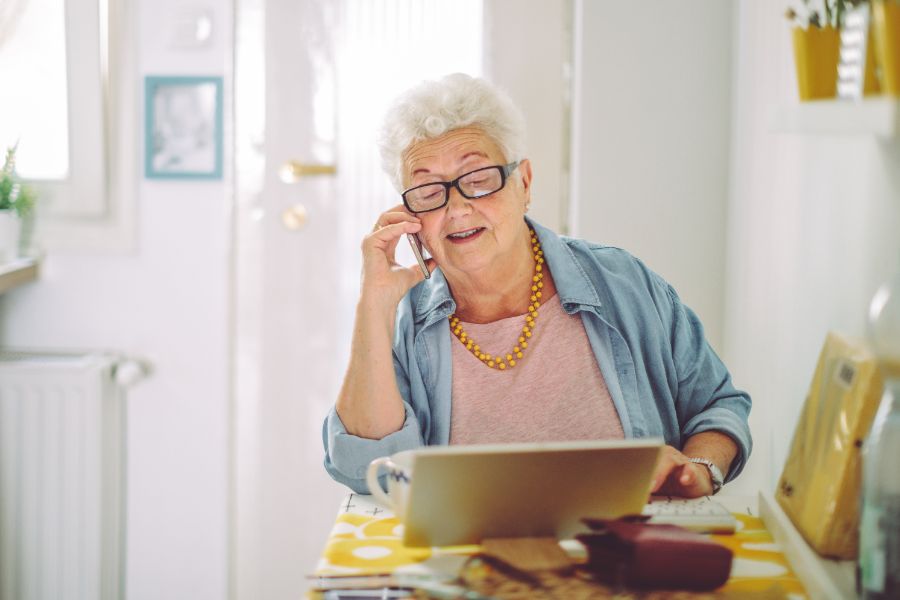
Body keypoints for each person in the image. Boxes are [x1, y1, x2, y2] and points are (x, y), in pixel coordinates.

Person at [322, 73, 751, 498]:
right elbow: (366, 469)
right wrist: (373, 303)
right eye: (429, 191)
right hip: (472, 559)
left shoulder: (624, 283)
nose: (457, 208)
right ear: (411, 215)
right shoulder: (408, 319)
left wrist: (699, 469)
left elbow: (717, 407)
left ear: (523, 183)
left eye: (478, 179)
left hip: (626, 552)